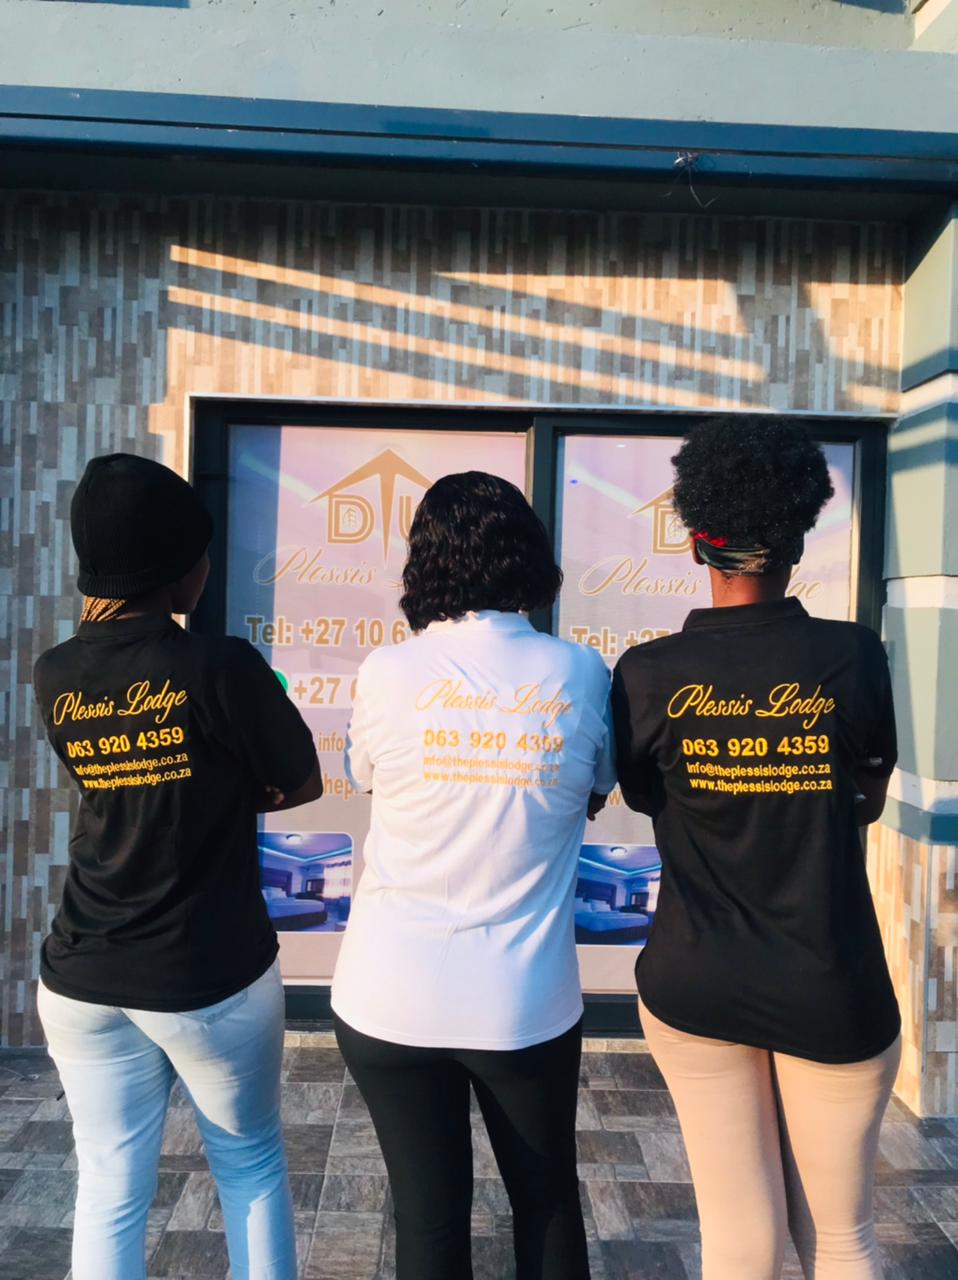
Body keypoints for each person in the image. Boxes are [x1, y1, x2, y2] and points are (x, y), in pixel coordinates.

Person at [610, 417, 901, 1280]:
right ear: (799, 541)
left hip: (696, 976)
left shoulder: (647, 673)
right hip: (829, 976)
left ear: (696, 540)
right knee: (841, 1239)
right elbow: (867, 800)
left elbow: (647, 798)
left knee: (741, 1236)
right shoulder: (852, 655)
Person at [33, 453, 323, 1280]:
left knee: (108, 1188)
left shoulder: (56, 671)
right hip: (206, 970)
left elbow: (121, 787)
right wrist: (228, 793)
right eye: (202, 553)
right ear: (177, 569)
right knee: (249, 1163)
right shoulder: (219, 665)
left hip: (82, 970)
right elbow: (302, 780)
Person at [331, 471, 616, 1280]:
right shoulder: (580, 671)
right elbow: (595, 791)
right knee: (547, 1201)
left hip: (388, 996)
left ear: (424, 561)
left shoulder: (388, 671)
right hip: (523, 1000)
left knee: (428, 1219)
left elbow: (369, 777)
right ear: (529, 556)